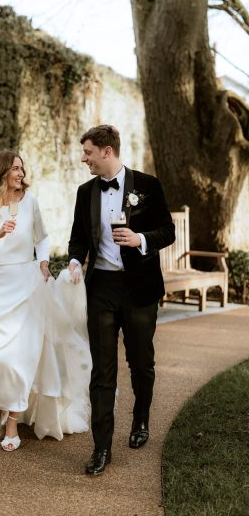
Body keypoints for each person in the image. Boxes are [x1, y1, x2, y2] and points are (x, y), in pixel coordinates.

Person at [0, 149, 91, 452]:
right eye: (15, 169)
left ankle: (11, 420)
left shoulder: (29, 202)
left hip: (26, 280)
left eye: (22, 168)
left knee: (23, 355)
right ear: (0, 172)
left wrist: (44, 262)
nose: (20, 173)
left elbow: (41, 238)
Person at [68, 125, 175, 475]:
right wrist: (73, 261)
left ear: (107, 151)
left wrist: (140, 238)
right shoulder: (85, 192)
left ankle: (141, 418)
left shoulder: (147, 186)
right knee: (102, 370)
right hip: (101, 289)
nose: (84, 159)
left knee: (141, 362)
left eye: (88, 152)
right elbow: (78, 238)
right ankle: (101, 448)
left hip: (139, 288)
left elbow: (167, 231)